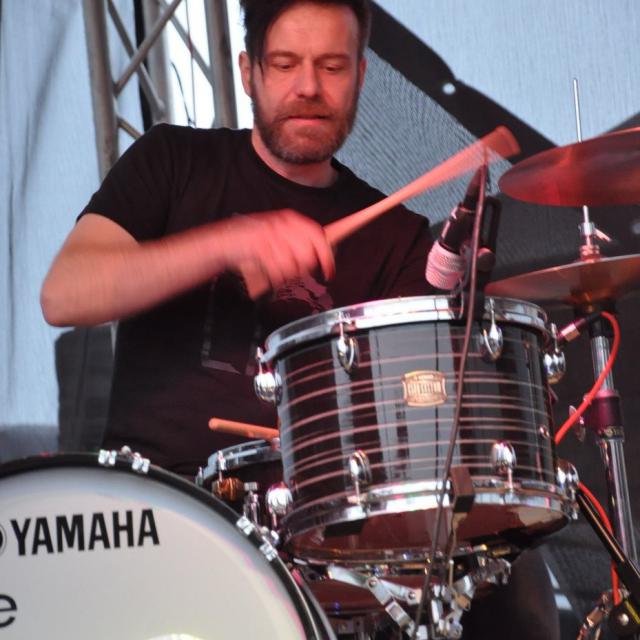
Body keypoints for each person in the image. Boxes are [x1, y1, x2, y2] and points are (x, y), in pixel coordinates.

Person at [41, 1, 559, 638]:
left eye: (331, 66)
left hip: (318, 539)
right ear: (248, 72)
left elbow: (408, 429)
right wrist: (227, 243)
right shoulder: (172, 161)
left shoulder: (396, 238)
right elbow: (64, 294)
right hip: (158, 513)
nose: (309, 87)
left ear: (360, 76)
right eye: (285, 64)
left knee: (507, 584)